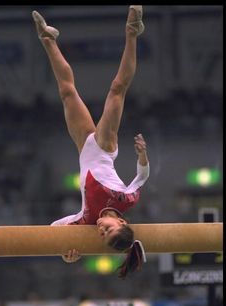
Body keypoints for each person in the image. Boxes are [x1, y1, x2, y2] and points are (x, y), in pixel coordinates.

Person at [32, 5, 149, 278]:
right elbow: (141, 178)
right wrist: (142, 157)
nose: (100, 229)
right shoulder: (124, 199)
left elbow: (52, 229)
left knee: (66, 92)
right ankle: (132, 32)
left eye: (102, 235)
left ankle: (47, 39)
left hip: (85, 147)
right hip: (105, 148)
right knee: (117, 90)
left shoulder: (85, 219)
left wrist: (64, 251)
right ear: (120, 220)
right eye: (108, 229)